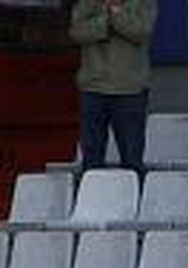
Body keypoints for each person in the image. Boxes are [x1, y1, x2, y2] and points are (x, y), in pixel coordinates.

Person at [69, 0, 156, 172]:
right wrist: (106, 20)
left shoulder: (143, 2)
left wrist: (115, 11)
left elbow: (141, 32)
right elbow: (77, 32)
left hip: (130, 89)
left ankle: (134, 195)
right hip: (93, 87)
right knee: (91, 159)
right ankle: (92, 197)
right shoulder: (88, 2)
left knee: (132, 158)